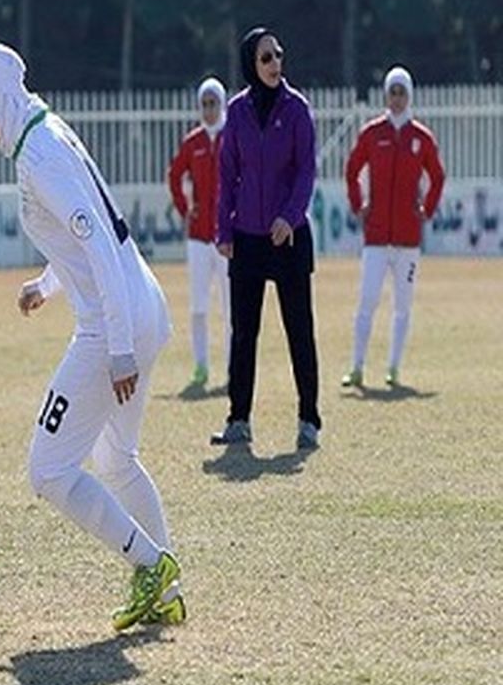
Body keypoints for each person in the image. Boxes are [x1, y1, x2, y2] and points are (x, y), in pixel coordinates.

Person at [0, 40, 182, 630]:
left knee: (48, 469)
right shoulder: (45, 134)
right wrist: (47, 284)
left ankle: (151, 565)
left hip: (116, 324)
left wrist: (120, 347)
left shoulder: (41, 155)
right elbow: (89, 234)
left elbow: (98, 244)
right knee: (116, 457)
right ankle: (166, 589)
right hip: (142, 302)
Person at [211, 27, 322, 451]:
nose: (275, 64)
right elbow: (227, 173)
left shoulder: (297, 109)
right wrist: (224, 230)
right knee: (243, 333)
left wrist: (289, 217)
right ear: (250, 65)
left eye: (278, 55)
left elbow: (305, 171)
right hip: (247, 239)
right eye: (265, 58)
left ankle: (309, 419)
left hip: (288, 240)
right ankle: (238, 419)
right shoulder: (237, 111)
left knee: (299, 331)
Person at [341, 66, 446, 388]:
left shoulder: (421, 137)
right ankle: (357, 367)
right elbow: (352, 168)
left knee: (402, 306)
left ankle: (393, 368)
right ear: (386, 95)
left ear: (409, 95)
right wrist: (359, 205)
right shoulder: (373, 133)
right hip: (376, 238)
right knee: (367, 301)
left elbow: (438, 176)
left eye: (402, 92)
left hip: (408, 239)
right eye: (393, 92)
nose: (398, 98)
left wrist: (425, 210)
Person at [167, 77, 230, 389]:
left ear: (222, 104)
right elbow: (175, 174)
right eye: (204, 104)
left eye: (213, 103)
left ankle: (234, 369)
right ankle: (201, 366)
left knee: (231, 307)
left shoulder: (233, 137)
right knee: (199, 306)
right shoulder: (193, 142)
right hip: (198, 236)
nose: (208, 109)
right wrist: (184, 208)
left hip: (228, 238)